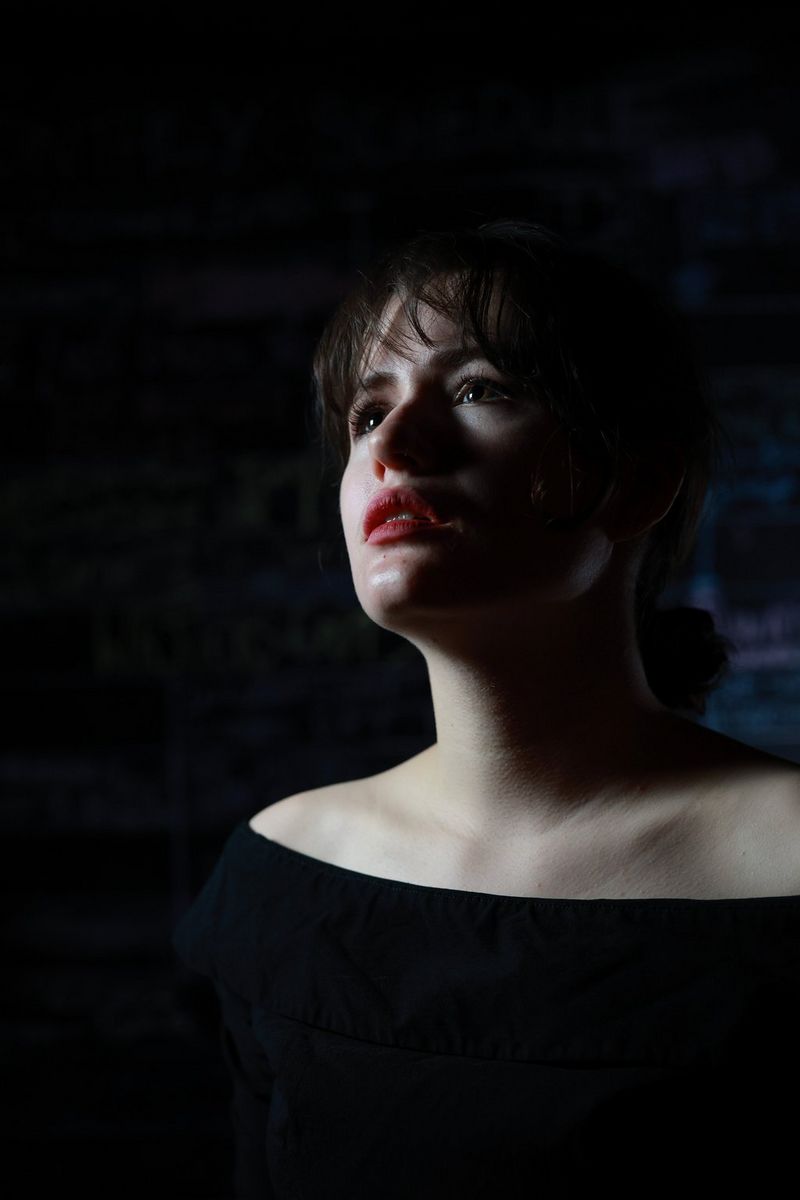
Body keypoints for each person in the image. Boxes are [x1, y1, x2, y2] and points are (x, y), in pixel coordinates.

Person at [173, 220, 800, 1199]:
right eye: (366, 415)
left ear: (635, 484)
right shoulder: (279, 877)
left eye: (477, 390)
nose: (398, 444)